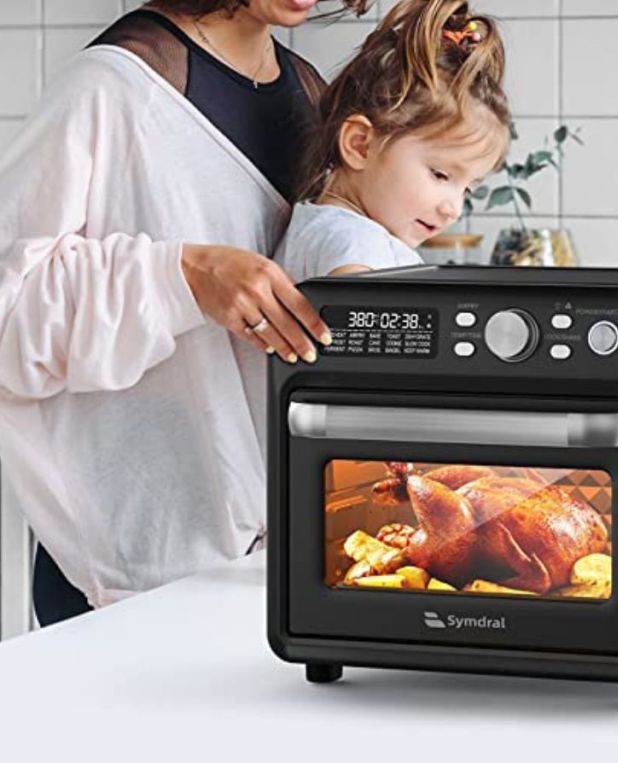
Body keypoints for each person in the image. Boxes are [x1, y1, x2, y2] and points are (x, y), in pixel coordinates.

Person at [0, 0, 368, 626]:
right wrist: (182, 277)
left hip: (278, 572)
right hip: (134, 578)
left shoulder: (313, 97)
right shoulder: (116, 88)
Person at [275, 0, 509, 281]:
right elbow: (354, 317)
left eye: (467, 190)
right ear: (360, 144)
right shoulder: (355, 242)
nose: (453, 210)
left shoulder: (329, 228)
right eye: (440, 175)